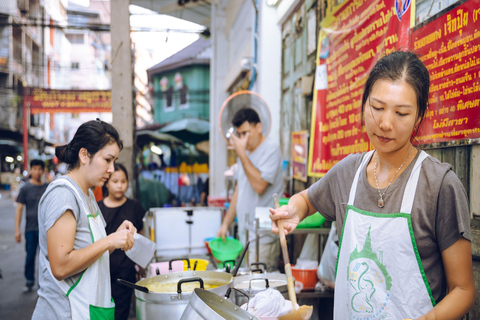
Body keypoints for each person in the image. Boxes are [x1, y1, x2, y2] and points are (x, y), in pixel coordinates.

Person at [269, 51, 475, 319]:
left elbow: (463, 289)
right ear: (364, 103)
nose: (385, 124)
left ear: (419, 115)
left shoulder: (438, 185)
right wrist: (294, 210)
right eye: (377, 108)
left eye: (401, 113)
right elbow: (307, 200)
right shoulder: (348, 172)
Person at [32, 119, 136, 320]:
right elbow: (61, 266)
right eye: (107, 160)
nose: (112, 169)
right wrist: (109, 241)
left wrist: (116, 238)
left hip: (88, 309)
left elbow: (89, 250)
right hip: (64, 312)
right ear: (84, 155)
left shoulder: (86, 194)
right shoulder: (63, 195)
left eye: (114, 161)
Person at [217, 107, 284, 271]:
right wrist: (226, 223)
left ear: (259, 128)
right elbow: (239, 191)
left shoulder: (271, 149)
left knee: (260, 287)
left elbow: (259, 185)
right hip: (246, 235)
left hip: (264, 237)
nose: (242, 140)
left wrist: (242, 154)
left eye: (245, 133)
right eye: (239, 135)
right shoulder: (245, 154)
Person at [97, 163, 146, 320]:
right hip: (103, 270)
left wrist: (142, 265)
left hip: (126, 272)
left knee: (121, 313)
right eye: (115, 181)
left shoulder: (134, 206)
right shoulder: (97, 208)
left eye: (123, 181)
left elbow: (141, 236)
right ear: (107, 183)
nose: (120, 186)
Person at [14, 159, 48, 292]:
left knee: (44, 260)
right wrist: (17, 230)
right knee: (30, 256)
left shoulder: (47, 187)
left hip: (44, 230)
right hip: (30, 229)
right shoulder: (25, 188)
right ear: (31, 170)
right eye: (35, 169)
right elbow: (19, 209)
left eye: (40, 169)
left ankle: (42, 284)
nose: (37, 172)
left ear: (43, 171)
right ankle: (29, 280)